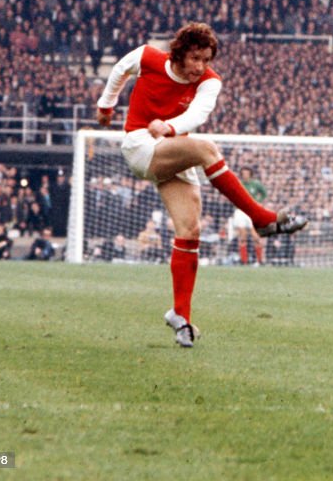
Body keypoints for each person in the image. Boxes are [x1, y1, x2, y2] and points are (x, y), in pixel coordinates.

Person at [96, 22, 308, 348]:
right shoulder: (150, 58)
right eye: (195, 58)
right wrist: (106, 105)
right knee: (207, 149)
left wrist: (168, 126)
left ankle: (181, 317)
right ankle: (262, 218)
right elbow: (121, 69)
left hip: (170, 147)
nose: (200, 66)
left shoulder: (210, 82)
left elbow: (197, 115)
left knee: (190, 231)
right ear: (179, 52)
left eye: (206, 59)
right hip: (140, 144)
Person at [230, 167, 268, 266]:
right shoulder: (239, 183)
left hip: (252, 211)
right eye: (243, 173)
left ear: (250, 174)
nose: (245, 175)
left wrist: (258, 202)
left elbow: (264, 193)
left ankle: (260, 261)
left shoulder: (255, 184)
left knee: (256, 237)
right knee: (242, 237)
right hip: (241, 211)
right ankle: (244, 261)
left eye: (247, 173)